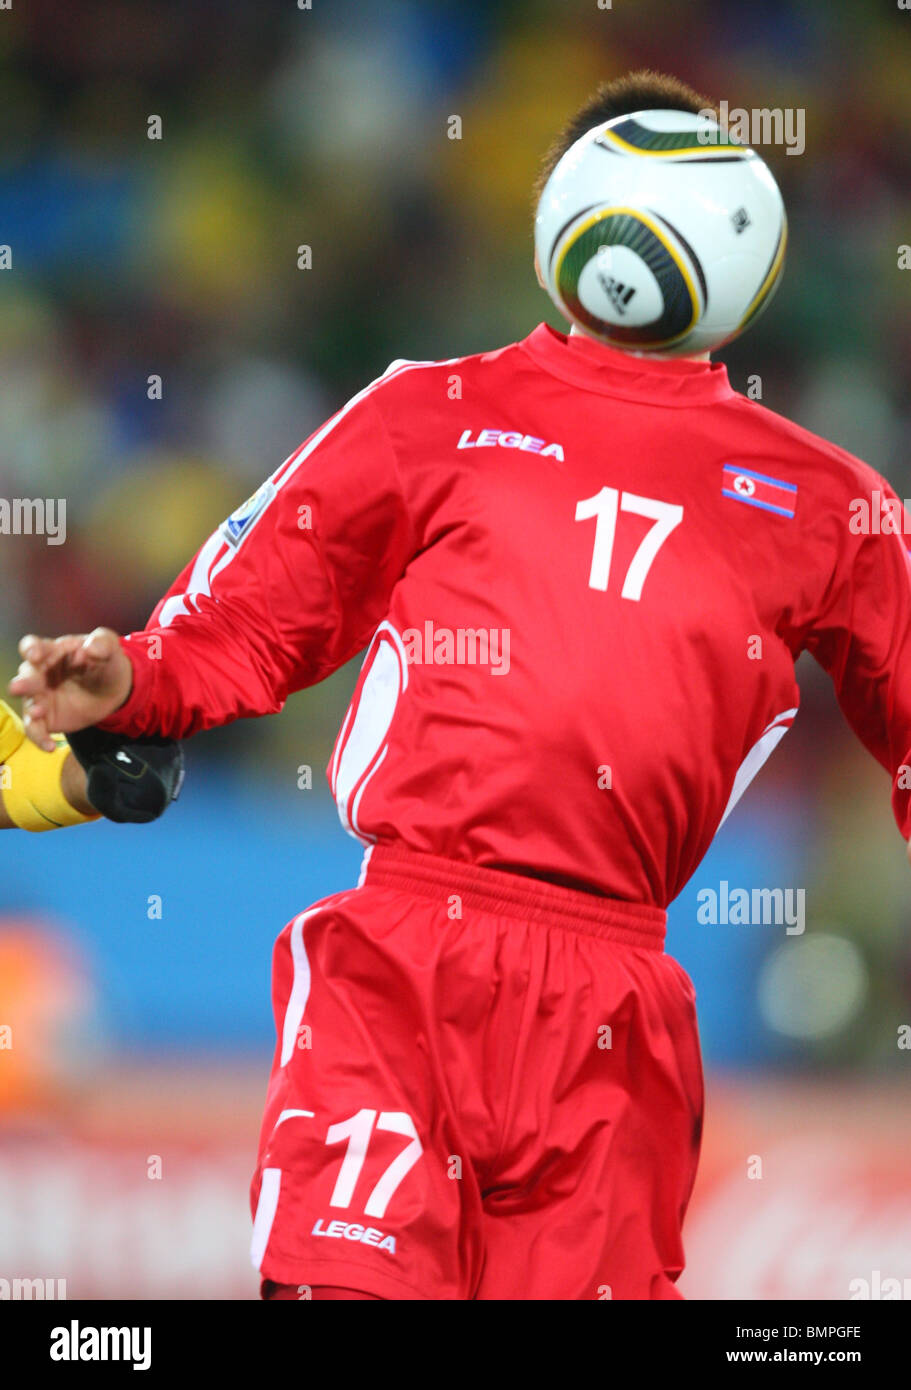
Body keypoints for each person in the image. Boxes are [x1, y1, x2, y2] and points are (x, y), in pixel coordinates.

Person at [9, 69, 911, 1301]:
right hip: (400, 961)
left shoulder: (831, 507)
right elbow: (251, 619)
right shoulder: (427, 410)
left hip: (613, 1007)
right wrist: (138, 676)